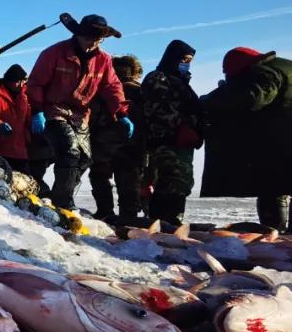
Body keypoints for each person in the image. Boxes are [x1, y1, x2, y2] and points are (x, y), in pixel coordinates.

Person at [28, 13, 132, 211]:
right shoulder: (54, 53)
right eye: (87, 38)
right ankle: (63, 203)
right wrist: (37, 110)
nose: (91, 44)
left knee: (85, 157)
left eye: (97, 40)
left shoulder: (103, 60)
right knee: (69, 150)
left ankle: (58, 194)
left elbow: (112, 87)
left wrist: (122, 114)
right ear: (78, 34)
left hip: (80, 114)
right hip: (54, 109)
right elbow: (35, 83)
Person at [201, 47, 292, 232]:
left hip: (281, 143)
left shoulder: (266, 71)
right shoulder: (285, 67)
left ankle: (274, 236)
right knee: (281, 186)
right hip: (284, 138)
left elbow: (252, 97)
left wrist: (210, 100)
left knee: (272, 188)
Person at [141, 41, 201, 226]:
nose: (186, 64)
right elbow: (156, 108)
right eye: (183, 59)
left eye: (189, 60)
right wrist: (184, 121)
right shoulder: (158, 77)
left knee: (181, 181)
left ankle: (169, 221)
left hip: (181, 141)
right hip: (165, 139)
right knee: (172, 180)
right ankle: (163, 222)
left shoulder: (180, 82)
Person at [89, 55, 147, 222]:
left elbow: (92, 116)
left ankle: (105, 212)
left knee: (100, 177)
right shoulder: (141, 91)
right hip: (133, 146)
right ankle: (128, 219)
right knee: (129, 184)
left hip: (102, 144)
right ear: (136, 72)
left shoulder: (101, 90)